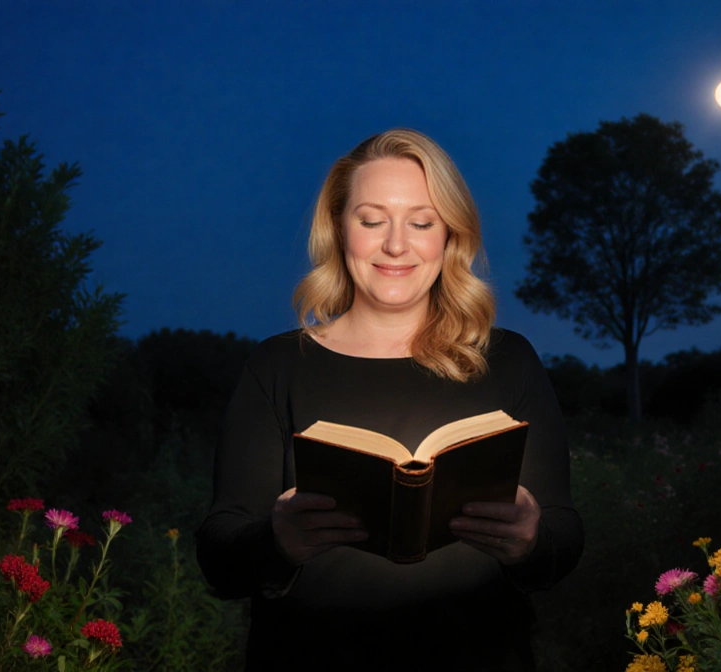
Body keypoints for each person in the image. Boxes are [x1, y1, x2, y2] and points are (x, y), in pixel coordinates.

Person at [195, 129, 583, 670]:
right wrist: (276, 541)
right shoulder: (277, 366)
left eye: (421, 223)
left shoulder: (509, 360)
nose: (396, 245)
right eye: (372, 220)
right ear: (338, 229)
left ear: (450, 235)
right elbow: (219, 555)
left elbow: (563, 540)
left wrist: (530, 542)